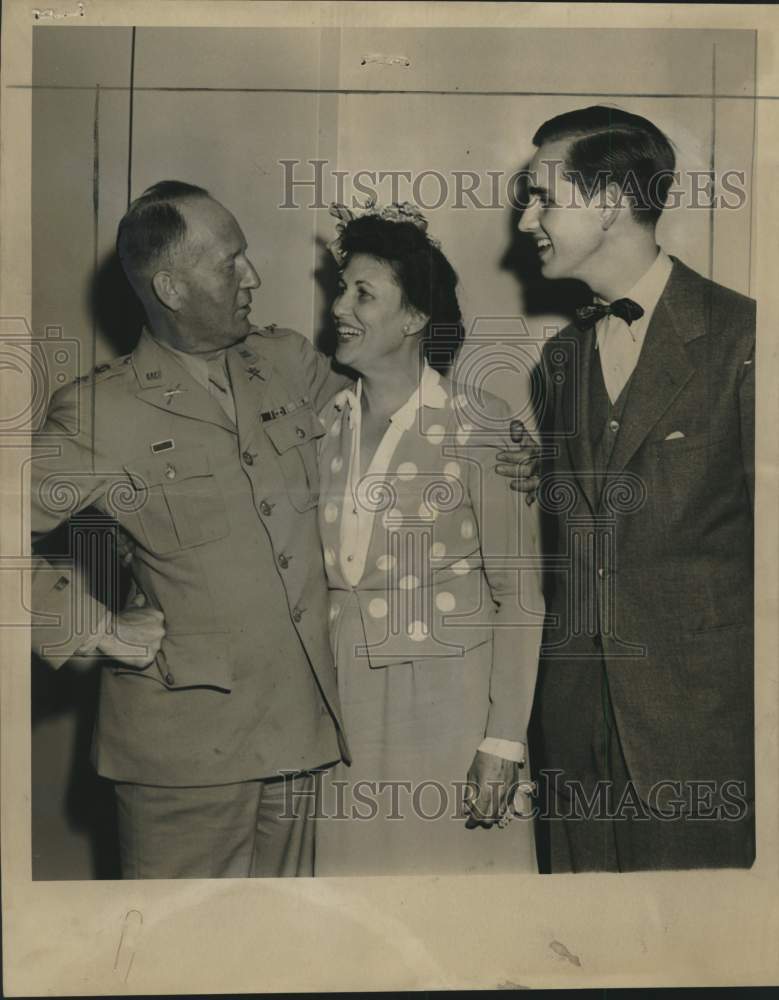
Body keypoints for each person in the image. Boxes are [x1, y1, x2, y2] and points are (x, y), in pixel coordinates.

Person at [30, 180, 354, 878]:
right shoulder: (100, 413)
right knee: (180, 960)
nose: (253, 277)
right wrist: (93, 630)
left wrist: (499, 449)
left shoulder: (285, 361)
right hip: (182, 759)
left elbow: (393, 435)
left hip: (298, 736)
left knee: (283, 961)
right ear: (171, 287)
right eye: (229, 262)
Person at [497, 106, 755, 871]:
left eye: (542, 195)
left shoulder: (744, 340)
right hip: (575, 732)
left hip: (698, 735)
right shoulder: (560, 361)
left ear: (608, 199)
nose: (525, 219)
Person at [312, 204, 545, 875]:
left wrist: (503, 741)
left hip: (451, 706)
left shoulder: (479, 424)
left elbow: (519, 596)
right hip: (345, 704)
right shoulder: (323, 423)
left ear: (414, 318)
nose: (338, 307)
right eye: (340, 288)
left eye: (362, 293)